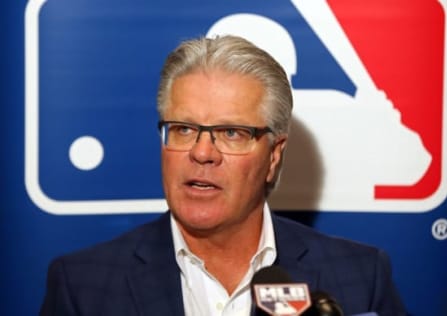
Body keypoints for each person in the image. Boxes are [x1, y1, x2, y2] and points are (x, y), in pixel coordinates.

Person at [40, 35, 406, 316]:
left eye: (232, 133)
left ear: (274, 155)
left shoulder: (359, 278)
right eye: (183, 129)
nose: (201, 153)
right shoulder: (84, 287)